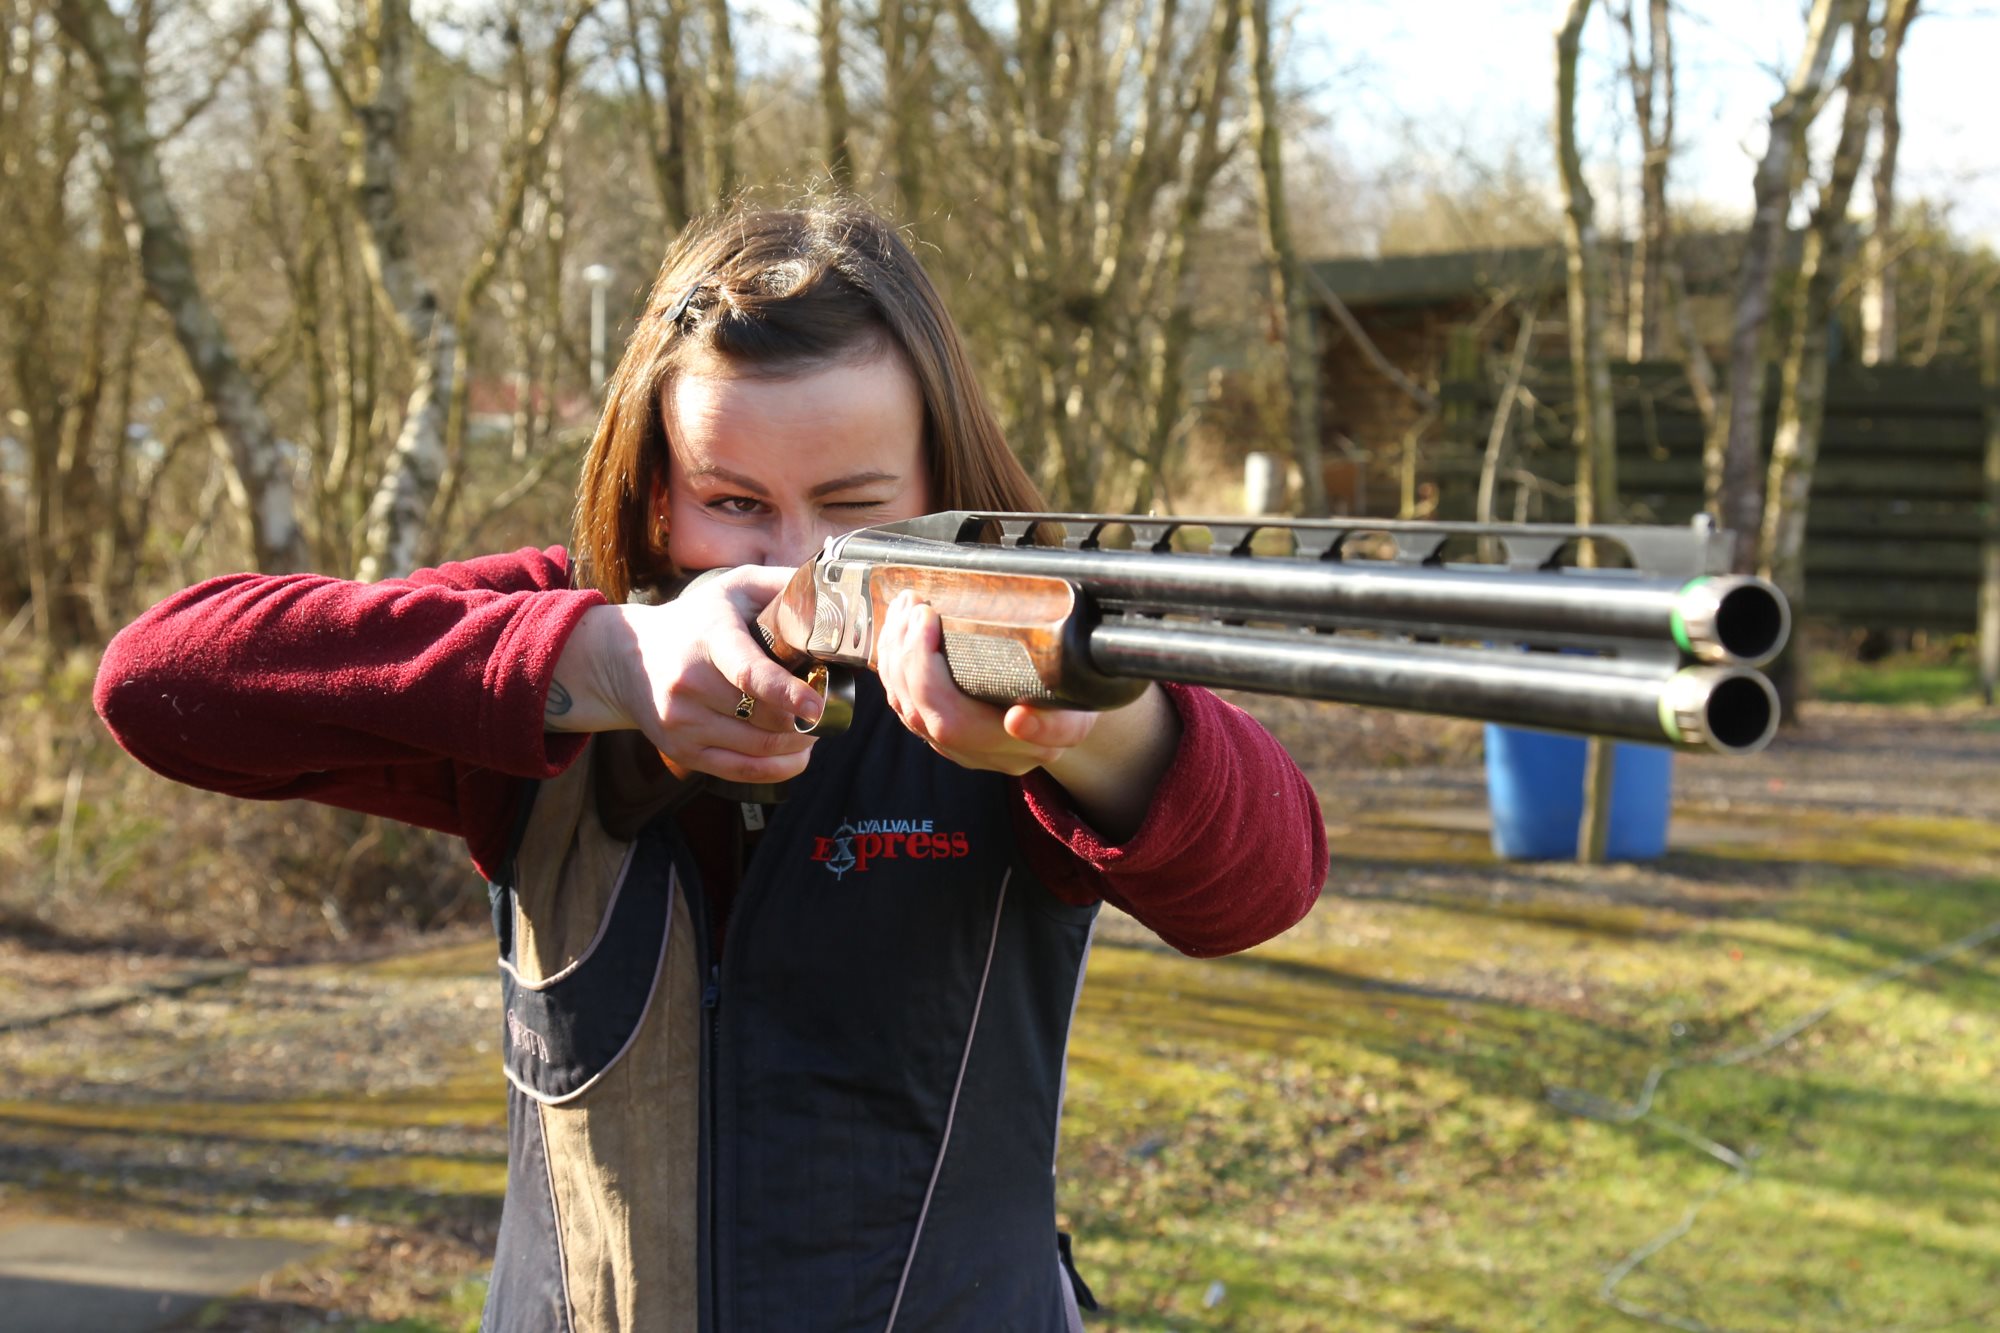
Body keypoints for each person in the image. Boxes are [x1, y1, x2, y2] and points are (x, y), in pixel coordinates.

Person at [95, 200, 1327, 1333]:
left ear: (942, 484)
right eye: (733, 502)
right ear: (650, 495)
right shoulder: (558, 646)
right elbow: (160, 683)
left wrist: (1096, 731)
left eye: (854, 503)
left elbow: (1263, 885)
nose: (797, 561)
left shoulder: (1018, 662)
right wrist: (601, 658)